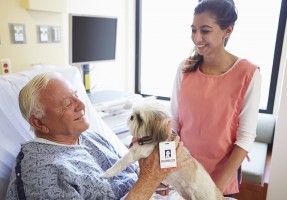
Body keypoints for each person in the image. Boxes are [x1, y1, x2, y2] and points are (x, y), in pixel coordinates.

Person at [5, 72, 185, 200]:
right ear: (39, 123)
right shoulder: (40, 173)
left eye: (76, 96)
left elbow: (129, 176)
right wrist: (148, 180)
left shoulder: (90, 138)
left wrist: (154, 181)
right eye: (68, 104)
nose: (82, 105)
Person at [170, 0, 261, 197]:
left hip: (220, 178)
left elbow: (245, 138)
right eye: (193, 29)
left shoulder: (248, 74)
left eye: (205, 30)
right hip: (182, 172)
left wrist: (213, 191)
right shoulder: (184, 68)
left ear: (228, 30)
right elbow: (173, 125)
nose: (197, 38)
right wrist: (164, 170)